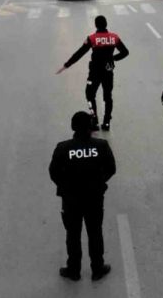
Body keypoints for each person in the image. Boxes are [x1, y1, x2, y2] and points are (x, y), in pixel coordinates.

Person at [49, 111, 116, 282]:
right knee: (95, 233)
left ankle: (74, 270)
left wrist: (65, 187)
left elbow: (54, 172)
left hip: (71, 200)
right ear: (90, 128)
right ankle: (97, 269)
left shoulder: (63, 148)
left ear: (73, 127)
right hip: (94, 198)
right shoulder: (101, 146)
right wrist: (99, 182)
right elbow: (111, 169)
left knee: (72, 235)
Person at [57, 15, 129, 131]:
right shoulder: (114, 37)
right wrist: (112, 59)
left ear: (96, 25)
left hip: (95, 72)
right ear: (106, 24)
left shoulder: (92, 38)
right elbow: (125, 52)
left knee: (89, 95)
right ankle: (106, 123)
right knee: (108, 97)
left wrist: (66, 65)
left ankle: (94, 121)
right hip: (108, 72)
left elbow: (79, 54)